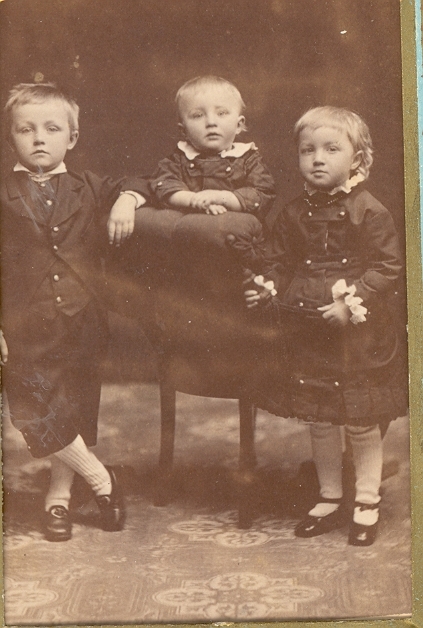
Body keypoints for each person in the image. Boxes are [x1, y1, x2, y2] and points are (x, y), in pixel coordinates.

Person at [244, 106, 408, 546]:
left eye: (331, 149)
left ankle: (367, 500)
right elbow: (278, 261)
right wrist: (266, 287)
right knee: (320, 419)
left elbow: (387, 267)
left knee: (359, 420)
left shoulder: (369, 210)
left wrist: (351, 303)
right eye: (308, 150)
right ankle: (330, 496)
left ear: (358, 159)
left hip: (356, 335)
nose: (317, 158)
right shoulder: (293, 212)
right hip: (308, 329)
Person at [0, 82, 148, 541]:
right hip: (24, 323)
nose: (38, 139)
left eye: (51, 128)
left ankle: (58, 497)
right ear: (10, 136)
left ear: (73, 137)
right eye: (26, 129)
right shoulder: (3, 193)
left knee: (74, 405)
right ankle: (102, 479)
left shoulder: (88, 186)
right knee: (33, 411)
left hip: (82, 317)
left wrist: (126, 201)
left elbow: (139, 183)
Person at [149, 75, 276, 218]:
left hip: (235, 229)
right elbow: (162, 186)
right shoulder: (177, 160)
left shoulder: (249, 160)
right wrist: (193, 200)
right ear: (183, 131)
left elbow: (264, 193)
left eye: (221, 113)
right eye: (198, 115)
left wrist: (222, 198)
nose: (211, 122)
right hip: (193, 228)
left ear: (238, 125)